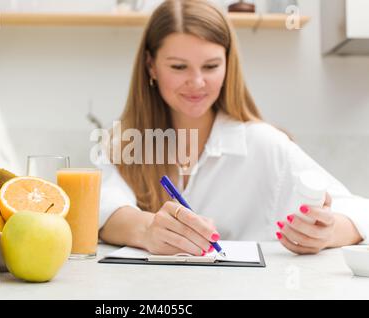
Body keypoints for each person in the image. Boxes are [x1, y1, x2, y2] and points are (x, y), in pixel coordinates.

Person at [96, 0, 367, 255]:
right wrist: (147, 230)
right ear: (150, 66)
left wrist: (327, 233)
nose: (197, 82)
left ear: (228, 65)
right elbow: (101, 209)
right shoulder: (125, 142)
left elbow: (359, 211)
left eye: (211, 66)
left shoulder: (264, 143)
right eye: (179, 67)